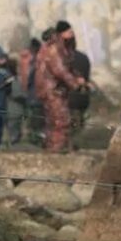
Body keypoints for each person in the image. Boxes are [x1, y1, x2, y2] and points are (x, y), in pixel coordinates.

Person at [34, 21, 84, 152]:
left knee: (54, 120)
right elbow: (59, 69)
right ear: (62, 33)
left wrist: (77, 78)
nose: (71, 33)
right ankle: (57, 149)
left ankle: (55, 147)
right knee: (61, 119)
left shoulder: (61, 47)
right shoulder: (54, 48)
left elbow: (67, 67)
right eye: (68, 31)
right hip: (52, 89)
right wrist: (75, 84)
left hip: (54, 89)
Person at [0, 47, 23, 154]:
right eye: (0, 57)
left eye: (3, 57)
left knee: (2, 127)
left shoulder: (7, 72)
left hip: (3, 102)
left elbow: (11, 89)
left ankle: (1, 146)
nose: (2, 60)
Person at [66, 34, 92, 131]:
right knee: (79, 121)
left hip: (68, 98)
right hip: (82, 97)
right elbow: (86, 77)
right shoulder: (84, 57)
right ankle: (78, 138)